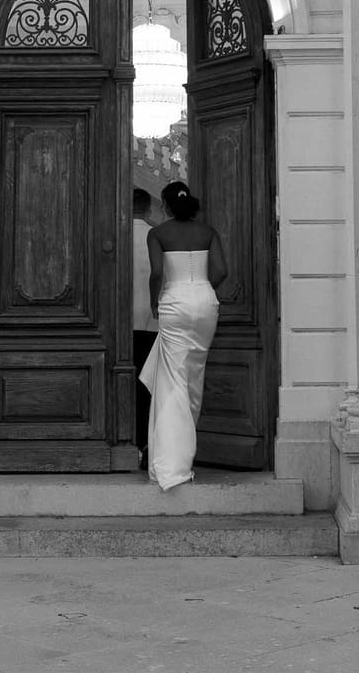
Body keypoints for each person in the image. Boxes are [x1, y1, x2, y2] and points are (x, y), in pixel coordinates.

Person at [139, 180, 227, 491]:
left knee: (172, 381)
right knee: (193, 377)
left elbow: (157, 273)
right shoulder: (208, 232)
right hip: (205, 303)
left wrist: (155, 301)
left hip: (174, 303)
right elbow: (221, 271)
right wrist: (202, 291)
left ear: (165, 206)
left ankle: (172, 463)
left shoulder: (157, 234)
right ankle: (182, 456)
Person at [131, 187, 157, 469]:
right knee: (149, 385)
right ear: (149, 210)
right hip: (153, 322)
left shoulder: (114, 235)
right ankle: (148, 441)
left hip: (122, 323)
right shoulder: (156, 236)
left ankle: (128, 441)